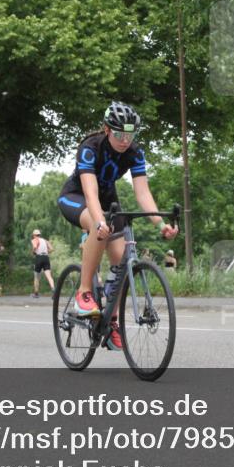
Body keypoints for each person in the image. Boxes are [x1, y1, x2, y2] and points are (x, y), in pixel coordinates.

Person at [57, 101, 178, 350]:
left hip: (109, 201)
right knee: (96, 223)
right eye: (120, 134)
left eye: (130, 134)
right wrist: (99, 221)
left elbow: (142, 194)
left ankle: (111, 320)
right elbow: (90, 194)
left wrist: (160, 224)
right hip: (76, 197)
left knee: (122, 261)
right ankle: (84, 292)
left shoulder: (135, 152)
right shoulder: (90, 148)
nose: (125, 140)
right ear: (107, 129)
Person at [30, 229, 56, 298]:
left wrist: (33, 252)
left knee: (36, 277)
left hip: (39, 258)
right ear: (40, 234)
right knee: (49, 276)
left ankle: (36, 293)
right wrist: (46, 252)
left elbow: (35, 247)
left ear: (34, 235)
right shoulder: (45, 240)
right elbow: (52, 249)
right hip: (46, 258)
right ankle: (53, 289)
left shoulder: (34, 240)